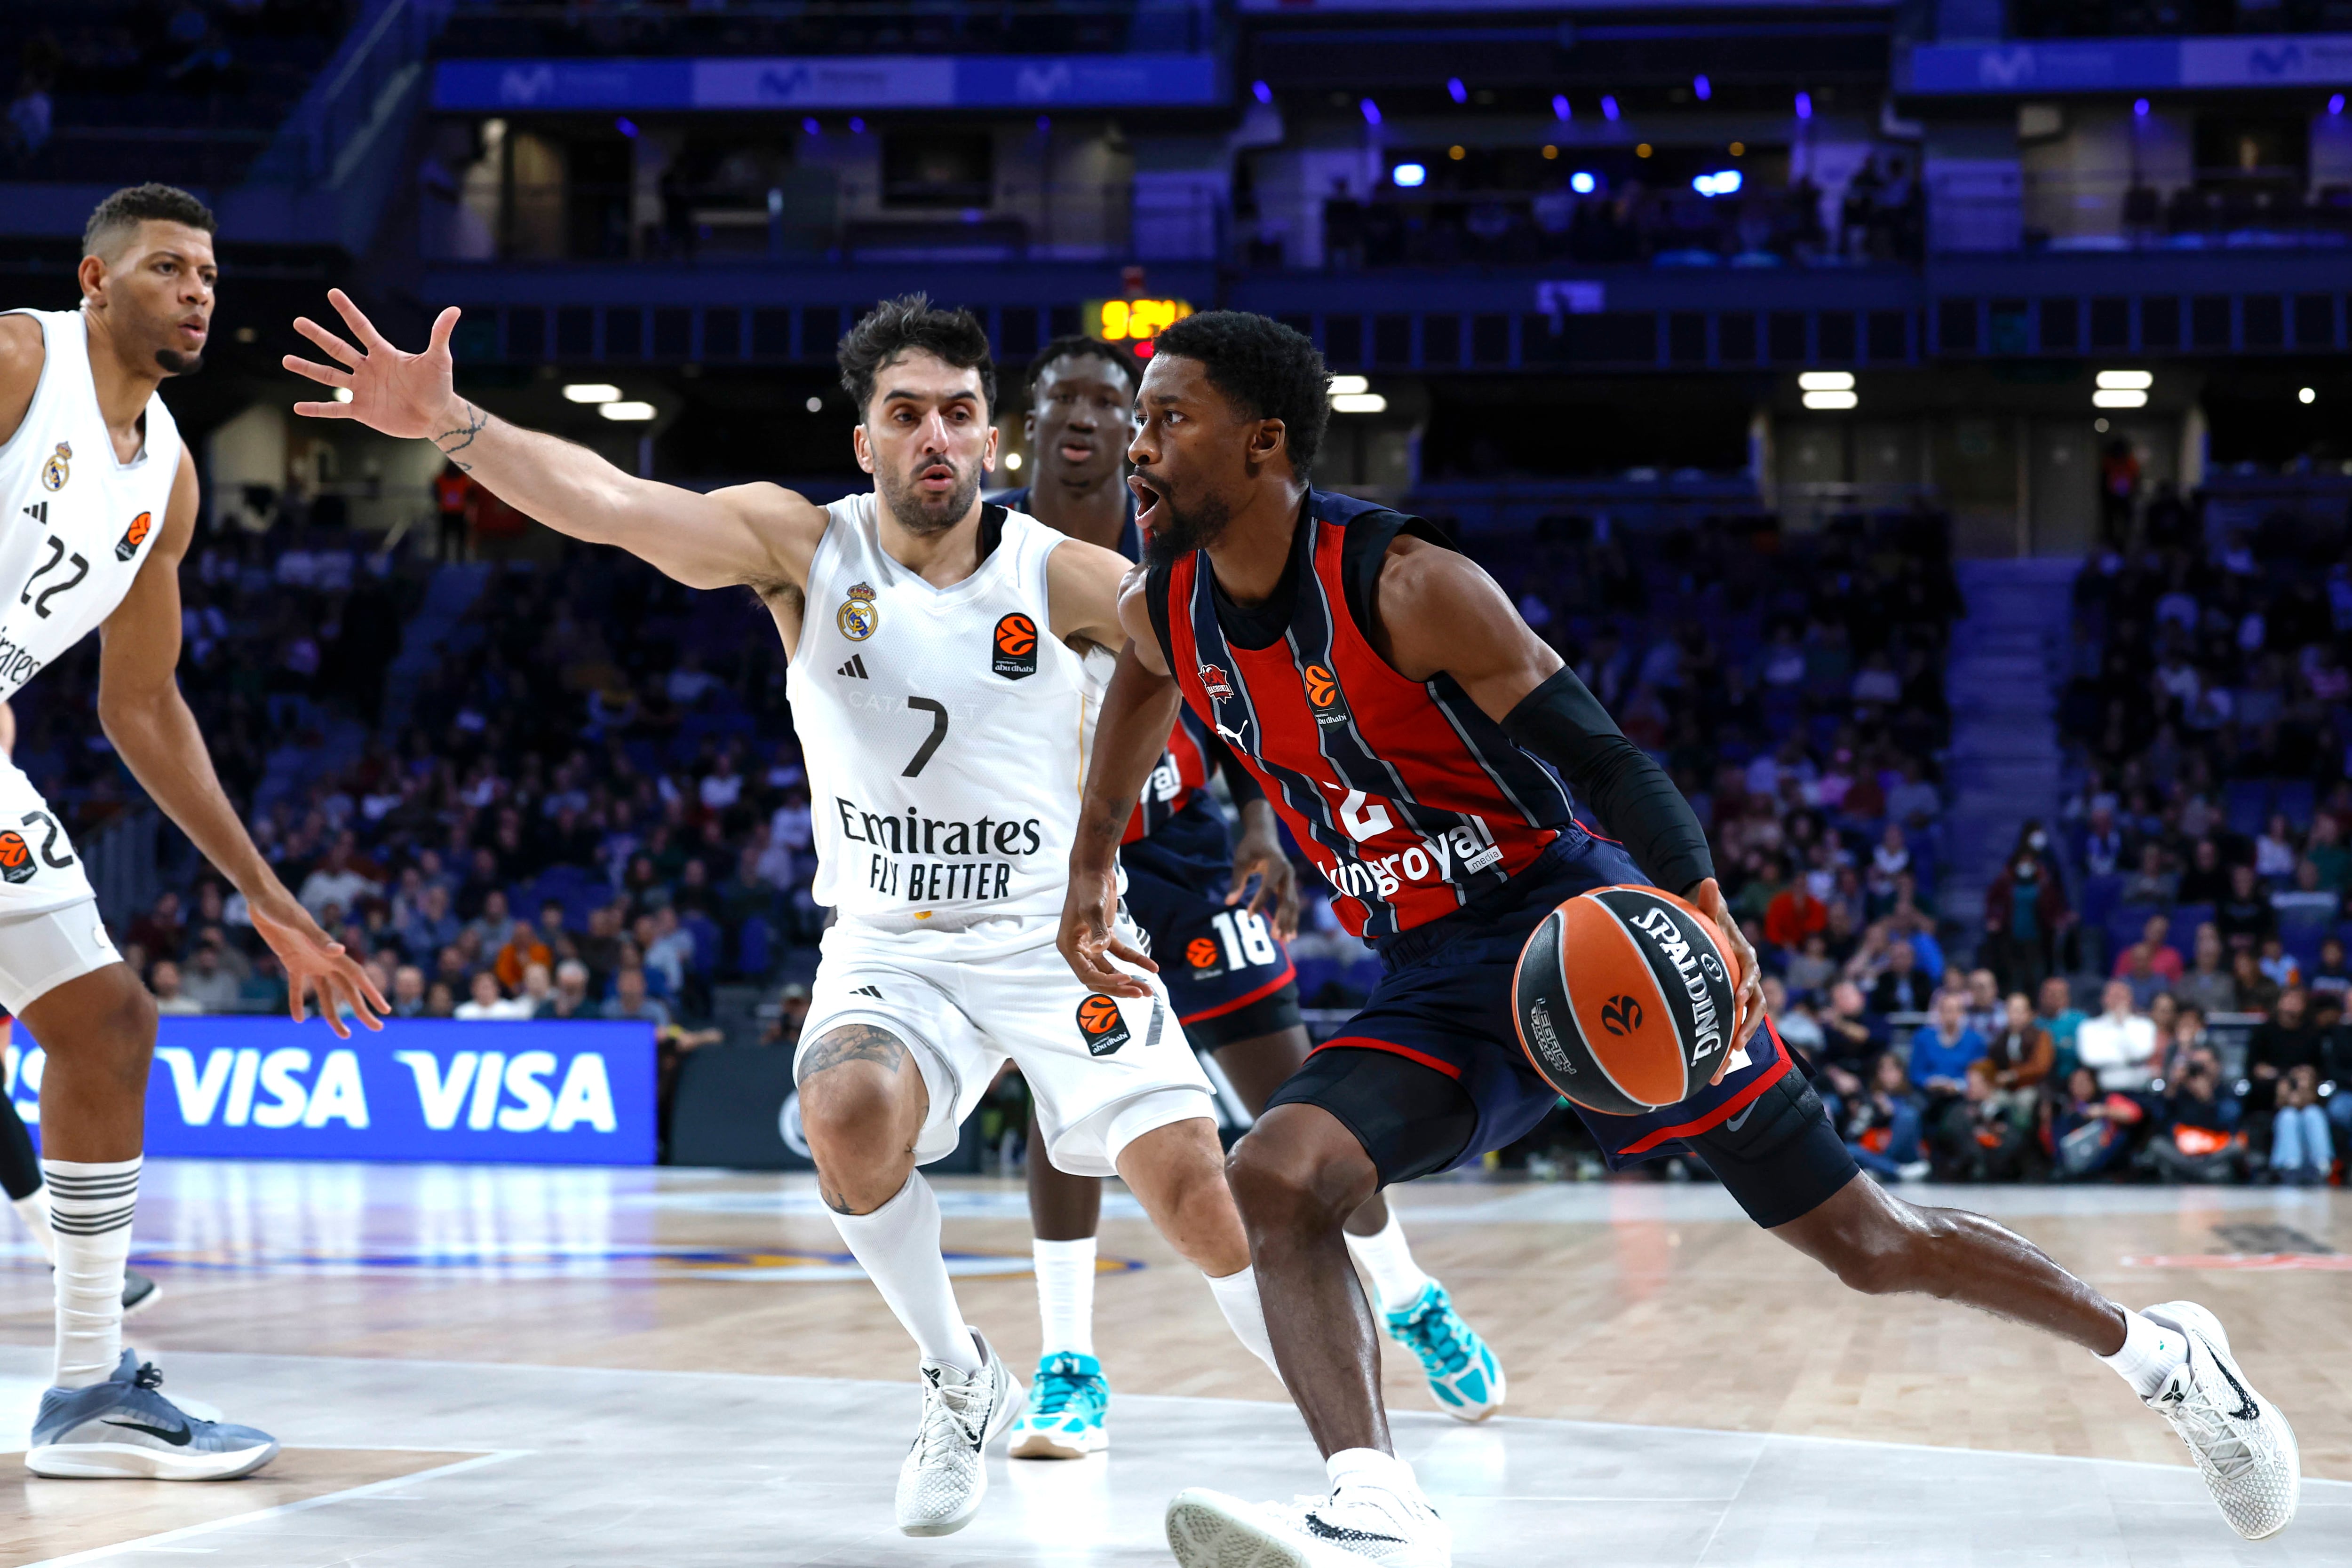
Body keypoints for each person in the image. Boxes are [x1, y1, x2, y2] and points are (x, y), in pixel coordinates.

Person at [1053, 309, 2297, 1562]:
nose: (1141, 450)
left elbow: (1603, 753)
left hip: (1582, 932)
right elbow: (1139, 697)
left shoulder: (1408, 584)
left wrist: (1700, 902)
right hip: (1436, 978)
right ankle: (1377, 1499)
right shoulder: (1169, 606)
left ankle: (2166, 1356)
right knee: (1278, 1171)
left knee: (1867, 1243)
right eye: (1142, 422)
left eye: (1169, 419)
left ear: (1265, 443)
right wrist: (1095, 863)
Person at [293, 288, 1280, 1537]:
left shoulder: (1069, 574)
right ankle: (957, 1371)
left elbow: (1215, 650)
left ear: (993, 442)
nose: (935, 435)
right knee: (846, 1103)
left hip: (1054, 939)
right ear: (864, 439)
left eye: (960, 414)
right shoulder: (801, 545)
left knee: (1203, 1191)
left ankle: (1353, 1472)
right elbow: (614, 504)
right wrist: (454, 426)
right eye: (906, 412)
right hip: (892, 949)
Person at [990, 335, 1497, 1454]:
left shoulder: (1167, 520)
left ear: (1133, 423)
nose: (1085, 415)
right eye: (1061, 394)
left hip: (1183, 850)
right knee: (1065, 1105)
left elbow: (1228, 676)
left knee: (1297, 1093)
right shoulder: (986, 545)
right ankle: (1069, 1357)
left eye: (1109, 400)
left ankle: (1407, 1290)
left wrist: (1263, 820)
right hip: (1058, 861)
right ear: (1028, 418)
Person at [5, 185, 383, 1481]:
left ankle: (85, 1385)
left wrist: (272, 899)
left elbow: (144, 701)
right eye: (168, 266)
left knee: (109, 1022)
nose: (198, 290)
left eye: (210, 273)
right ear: (95, 282)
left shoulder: (165, 472)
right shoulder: (17, 360)